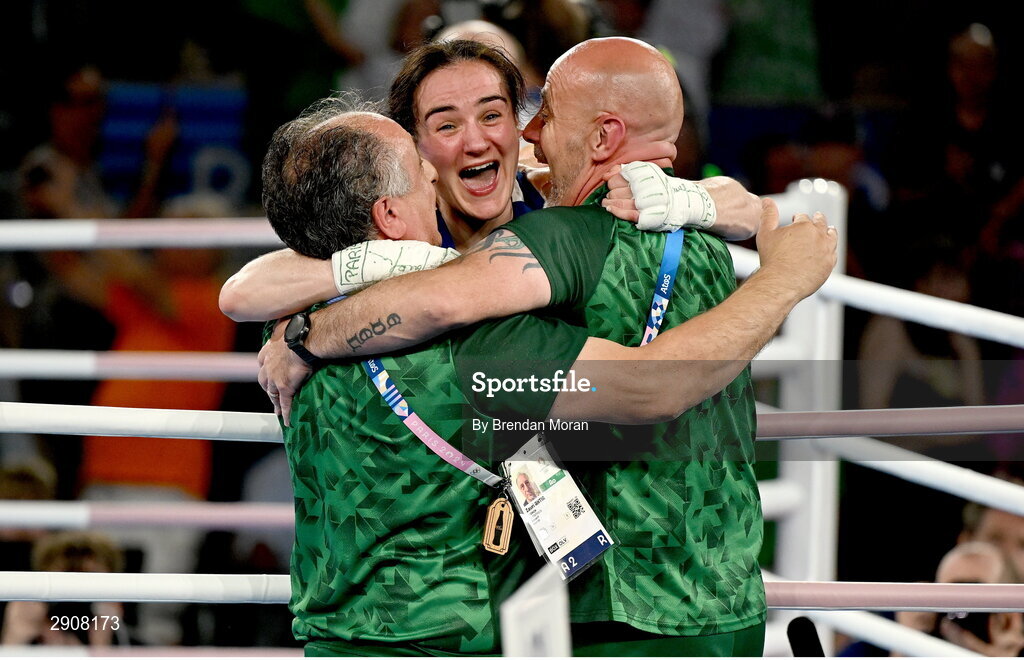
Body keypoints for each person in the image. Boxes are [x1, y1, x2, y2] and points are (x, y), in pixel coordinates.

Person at [255, 38, 838, 655]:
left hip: (365, 624)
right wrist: (781, 273)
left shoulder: (551, 230)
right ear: (400, 183)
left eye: (507, 113)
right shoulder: (505, 288)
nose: (520, 133)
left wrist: (306, 333)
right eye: (441, 130)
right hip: (534, 618)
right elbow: (441, 300)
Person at [219, 39, 761, 321]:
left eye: (493, 114)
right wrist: (385, 265)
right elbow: (243, 292)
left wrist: (684, 196)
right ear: (415, 145)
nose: (476, 141)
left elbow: (746, 206)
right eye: (447, 124)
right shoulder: (396, 224)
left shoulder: (551, 191)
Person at [0, 531, 126, 647]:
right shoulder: (27, 619)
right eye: (67, 575)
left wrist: (101, 645)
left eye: (88, 576)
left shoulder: (129, 642)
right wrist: (14, 639)